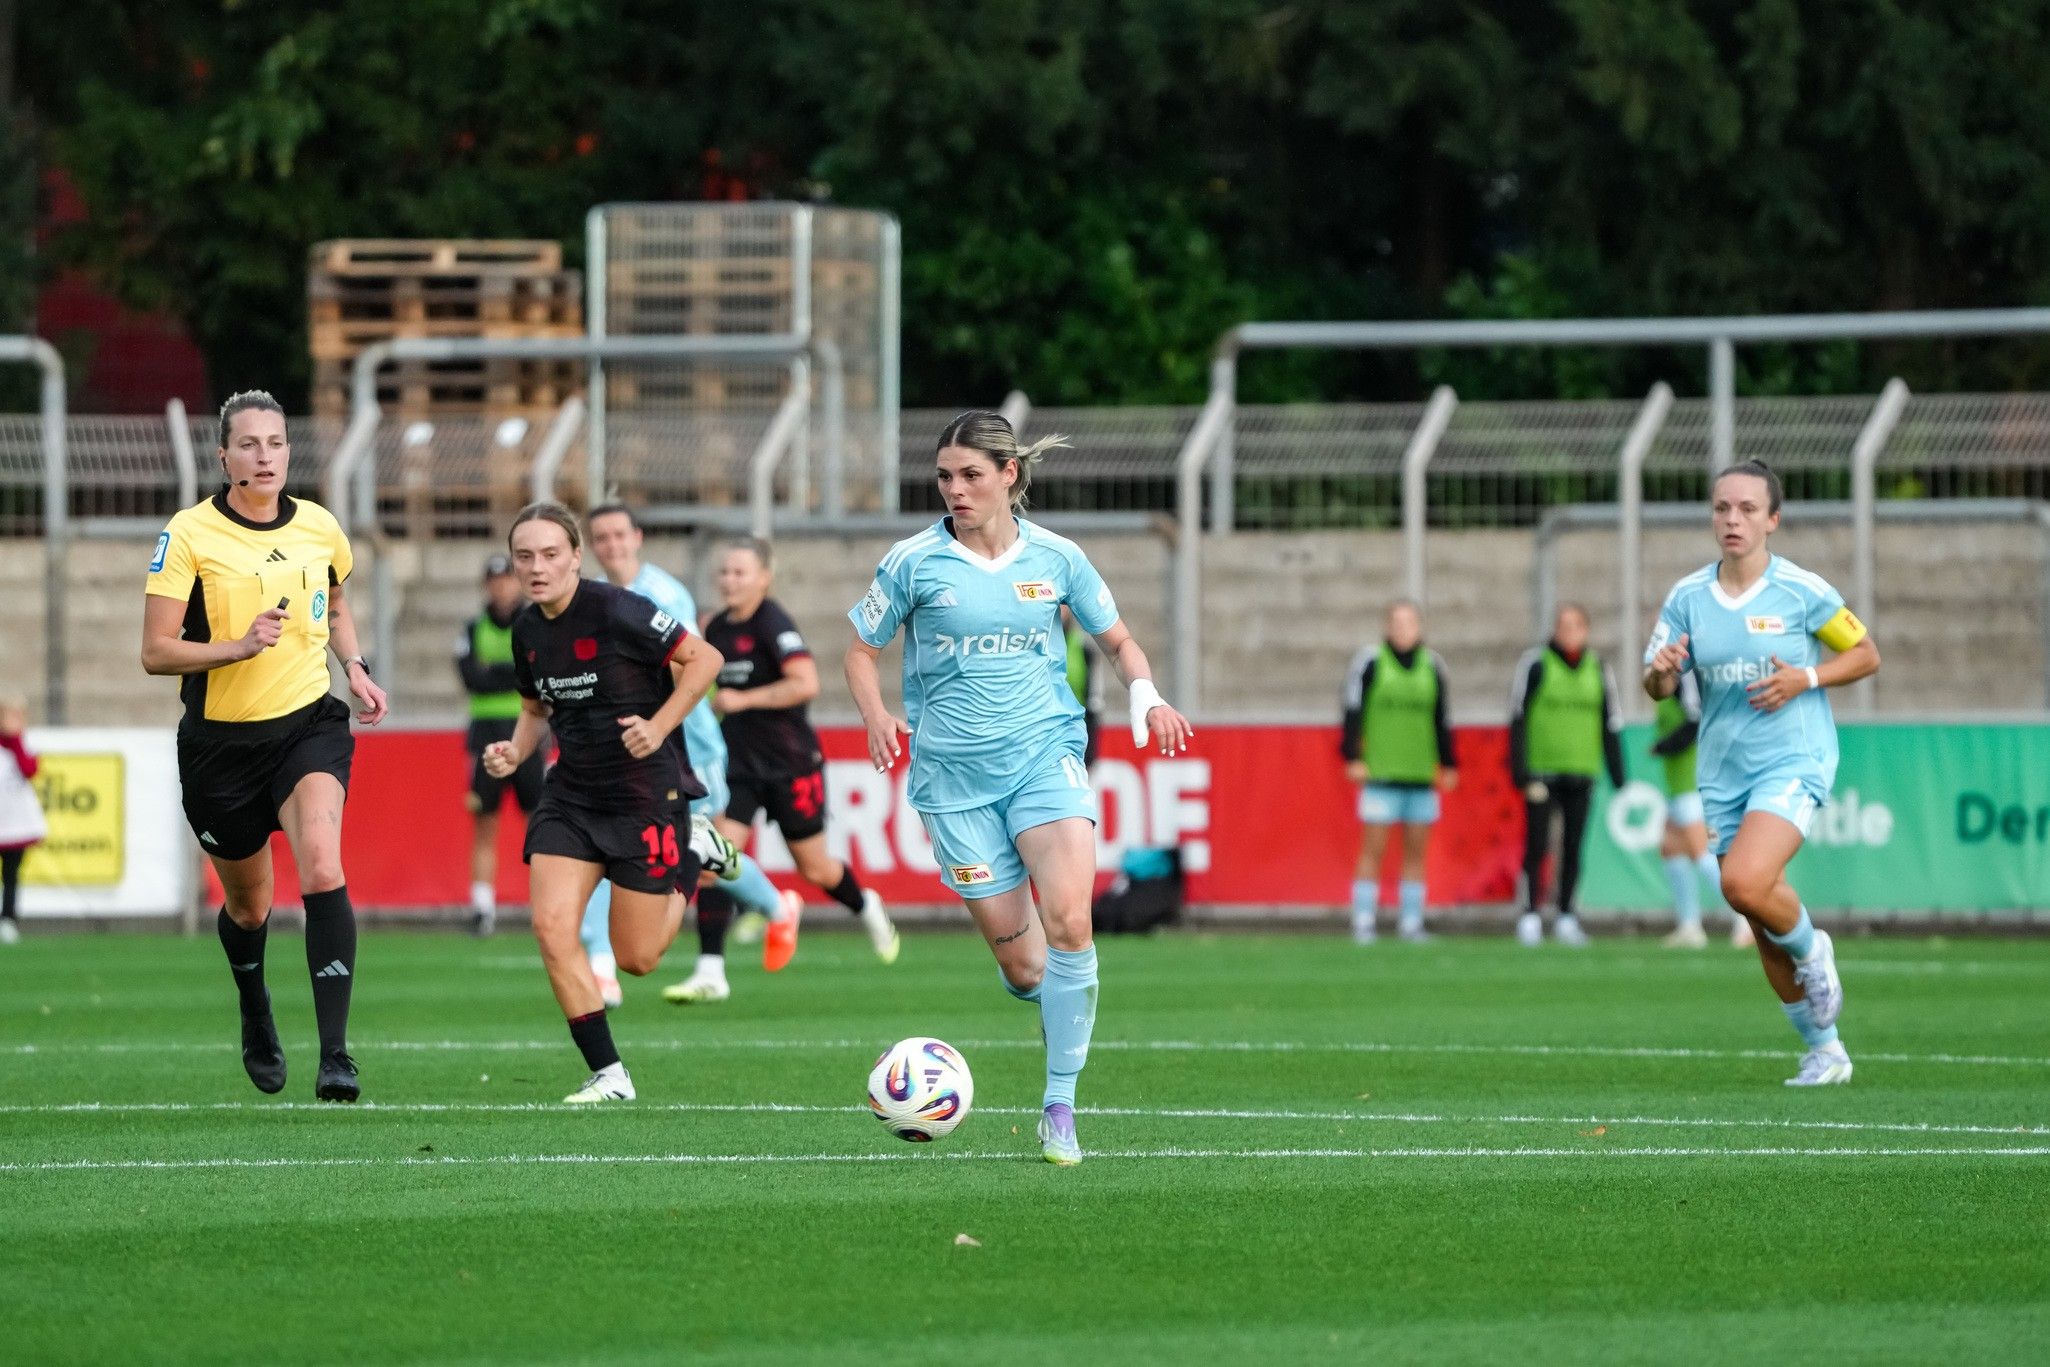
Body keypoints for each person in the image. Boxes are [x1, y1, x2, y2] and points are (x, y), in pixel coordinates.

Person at [845, 410, 1194, 1166]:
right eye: (944, 475)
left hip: (1045, 758)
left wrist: (1147, 696)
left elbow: (1119, 639)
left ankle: (1059, 1108)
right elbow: (860, 651)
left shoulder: (1058, 558)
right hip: (953, 783)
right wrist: (876, 716)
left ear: (1009, 474)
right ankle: (1060, 998)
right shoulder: (913, 562)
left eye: (971, 473)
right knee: (1028, 967)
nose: (955, 488)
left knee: (1071, 920)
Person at [141, 389, 389, 1101]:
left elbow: (334, 603)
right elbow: (156, 652)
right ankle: (255, 1007)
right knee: (250, 907)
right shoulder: (188, 535)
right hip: (220, 750)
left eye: (275, 443)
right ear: (223, 456)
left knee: (321, 864)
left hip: (308, 726)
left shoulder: (318, 526)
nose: (264, 456)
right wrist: (237, 646)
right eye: (248, 444)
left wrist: (358, 668)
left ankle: (337, 1056)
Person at [481, 502, 728, 1102]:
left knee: (638, 958)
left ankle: (695, 847)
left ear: (575, 557)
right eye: (524, 557)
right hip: (572, 797)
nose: (536, 568)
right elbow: (537, 708)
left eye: (549, 555)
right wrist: (515, 753)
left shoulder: (619, 609)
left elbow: (706, 659)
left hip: (644, 794)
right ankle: (610, 1075)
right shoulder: (526, 630)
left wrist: (661, 724)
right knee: (550, 927)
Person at [1645, 460, 1878, 1086]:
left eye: (1748, 509)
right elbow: (1656, 681)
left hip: (1793, 758)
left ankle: (1813, 948)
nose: (1732, 519)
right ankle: (1824, 1050)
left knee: (1746, 881)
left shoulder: (1802, 591)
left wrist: (1806, 677)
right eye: (1723, 508)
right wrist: (1664, 670)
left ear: (1772, 520)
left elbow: (1865, 653)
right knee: (1755, 913)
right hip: (1723, 772)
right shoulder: (1688, 597)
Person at [577, 503, 800, 1009]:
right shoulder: (595, 597)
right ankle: (601, 964)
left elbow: (687, 669)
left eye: (619, 534)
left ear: (636, 536)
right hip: (629, 746)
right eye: (602, 537)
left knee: (696, 852)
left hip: (685, 745)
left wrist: (646, 716)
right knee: (606, 843)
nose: (611, 545)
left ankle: (775, 905)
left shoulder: (662, 594)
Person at [704, 536, 899, 965]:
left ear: (763, 579)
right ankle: (712, 967)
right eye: (724, 572)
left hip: (789, 764)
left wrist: (743, 699)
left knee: (816, 869)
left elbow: (805, 683)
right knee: (713, 857)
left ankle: (866, 905)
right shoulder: (716, 628)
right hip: (739, 764)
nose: (729, 580)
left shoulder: (773, 623)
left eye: (740, 572)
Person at [1339, 600, 1457, 943]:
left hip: (1420, 773)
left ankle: (1411, 922)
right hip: (1381, 772)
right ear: (1387, 626)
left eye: (1410, 622)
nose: (1403, 629)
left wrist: (1448, 762)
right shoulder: (1371, 662)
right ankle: (1363, 919)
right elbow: (1352, 709)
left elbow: (1441, 718)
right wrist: (1352, 756)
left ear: (1420, 627)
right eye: (1397, 622)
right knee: (1372, 849)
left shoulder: (1433, 666)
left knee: (1416, 852)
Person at [1508, 602, 1625, 947]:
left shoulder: (1599, 668)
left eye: (1576, 625)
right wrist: (1521, 771)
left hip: (1581, 770)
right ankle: (1530, 913)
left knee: (1573, 847)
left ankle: (1566, 914)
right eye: (1563, 625)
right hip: (1542, 771)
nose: (1569, 631)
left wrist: (1619, 773)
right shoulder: (1536, 664)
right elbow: (1517, 717)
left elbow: (1610, 722)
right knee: (1538, 843)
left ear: (1586, 630)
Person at [456, 553, 544, 935]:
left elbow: (537, 674)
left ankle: (546, 901)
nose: (501, 587)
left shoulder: (534, 624)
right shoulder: (474, 628)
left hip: (528, 731)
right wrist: (513, 674)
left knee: (539, 822)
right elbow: (472, 677)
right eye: (495, 580)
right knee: (485, 821)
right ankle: (482, 907)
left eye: (507, 579)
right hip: (486, 732)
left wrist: (500, 673)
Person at [1651, 671, 1748, 949]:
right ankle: (1690, 925)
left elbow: (1696, 721)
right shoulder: (1662, 678)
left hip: (1692, 779)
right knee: (1671, 848)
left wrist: (1663, 746)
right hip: (1677, 781)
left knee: (1700, 851)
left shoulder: (1686, 677)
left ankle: (1745, 915)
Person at [0, 694, 46, 945]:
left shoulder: (25, 745)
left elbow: (29, 769)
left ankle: (8, 919)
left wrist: (15, 741)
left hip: (14, 825)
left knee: (11, 874)